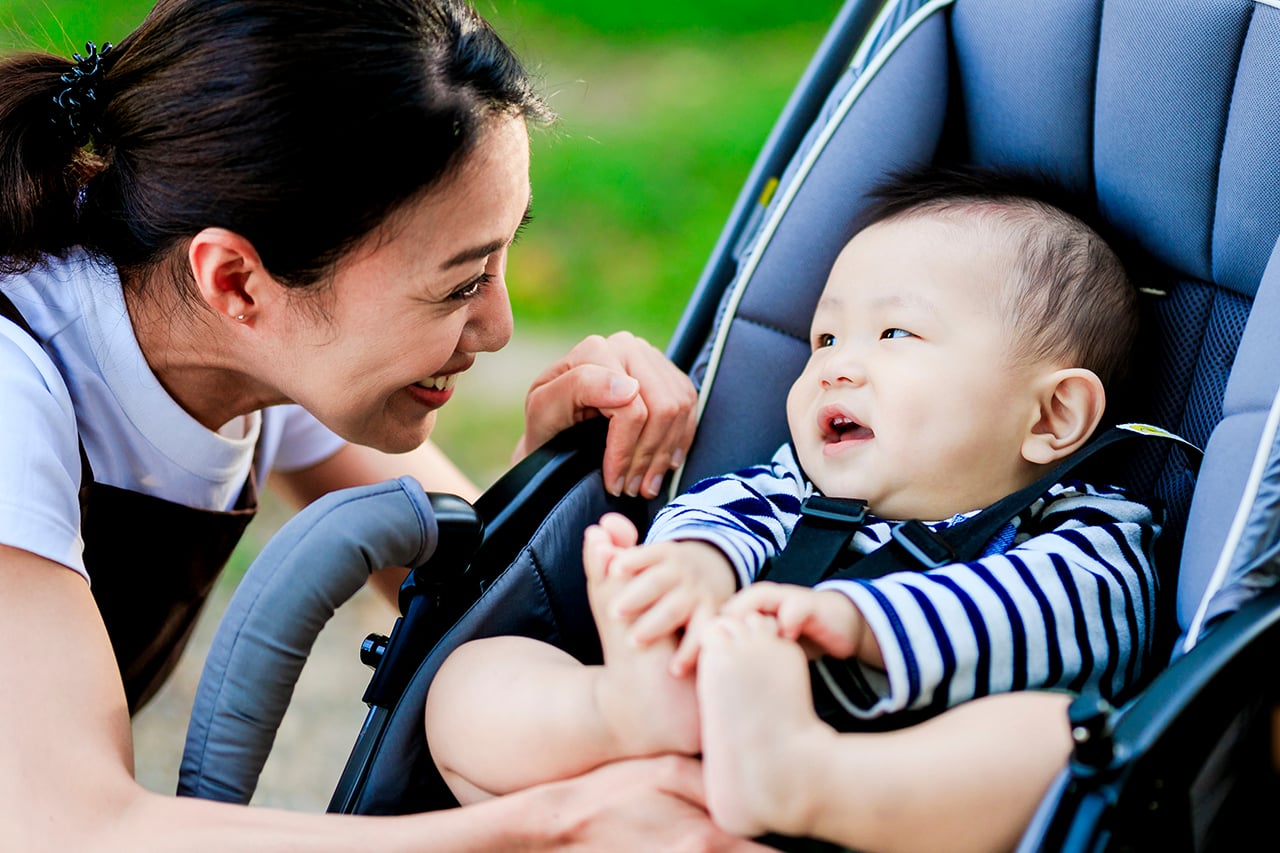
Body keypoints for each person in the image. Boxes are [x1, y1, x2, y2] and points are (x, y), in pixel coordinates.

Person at [0, 2, 773, 850]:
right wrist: (558, 826)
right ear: (238, 283)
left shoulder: (228, 330)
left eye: (502, 256)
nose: (501, 328)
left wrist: (548, 478)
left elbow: (468, 611)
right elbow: (70, 824)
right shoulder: (17, 386)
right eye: (459, 284)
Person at [424, 167, 1161, 852]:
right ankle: (623, 712)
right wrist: (691, 569)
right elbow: (725, 511)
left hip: (889, 811)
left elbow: (1061, 613)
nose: (835, 363)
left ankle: (808, 775)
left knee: (1057, 735)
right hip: (678, 792)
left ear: (1052, 416)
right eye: (825, 337)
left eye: (896, 334)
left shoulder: (1085, 529)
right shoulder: (800, 489)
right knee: (472, 677)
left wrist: (859, 622)